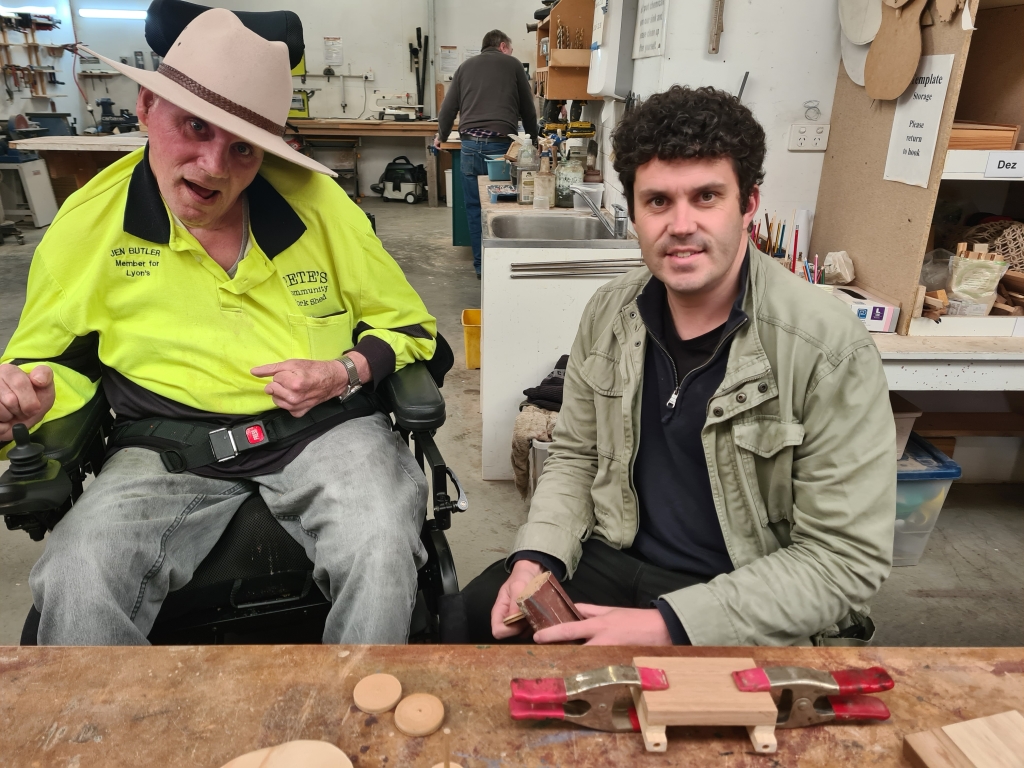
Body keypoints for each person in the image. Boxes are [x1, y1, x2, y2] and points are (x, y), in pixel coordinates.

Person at [0, 9, 439, 645]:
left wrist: (343, 370)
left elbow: (409, 328)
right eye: (194, 127)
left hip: (322, 429)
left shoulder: (319, 207)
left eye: (242, 148)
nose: (213, 165)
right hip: (164, 446)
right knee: (77, 573)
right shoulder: (87, 226)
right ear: (148, 106)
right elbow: (48, 366)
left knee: (380, 544)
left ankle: (359, 731)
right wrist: (32, 399)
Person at [459, 85, 896, 646]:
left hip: (745, 585)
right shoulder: (611, 311)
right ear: (635, 210)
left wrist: (669, 625)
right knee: (467, 623)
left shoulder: (826, 347)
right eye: (658, 201)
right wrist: (537, 555)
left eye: (707, 197)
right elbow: (575, 456)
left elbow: (844, 559)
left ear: (749, 204)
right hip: (615, 555)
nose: (681, 224)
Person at [435, 29, 538, 278]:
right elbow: (528, 107)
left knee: (474, 207)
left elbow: (447, 109)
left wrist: (442, 135)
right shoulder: (513, 65)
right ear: (503, 46)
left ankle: (481, 267)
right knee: (502, 207)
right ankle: (500, 265)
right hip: (500, 149)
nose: (511, 53)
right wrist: (534, 140)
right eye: (511, 49)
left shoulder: (464, 67)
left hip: (469, 146)